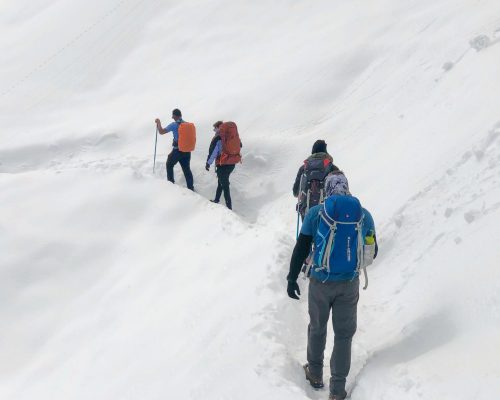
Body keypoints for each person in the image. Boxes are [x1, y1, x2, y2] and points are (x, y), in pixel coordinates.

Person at [286, 173, 378, 400]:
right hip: (349, 283)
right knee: (344, 335)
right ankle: (337, 390)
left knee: (317, 326)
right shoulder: (363, 215)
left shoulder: (317, 213)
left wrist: (291, 277)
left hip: (320, 281)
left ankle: (315, 373)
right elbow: (372, 251)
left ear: (327, 189)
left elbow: (301, 247)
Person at [293, 140, 339, 220]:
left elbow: (295, 192)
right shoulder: (332, 168)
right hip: (327, 211)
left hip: (306, 210)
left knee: (307, 232)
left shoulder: (304, 168)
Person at [205, 121, 242, 210]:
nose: (214, 130)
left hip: (223, 165)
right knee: (221, 183)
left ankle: (229, 208)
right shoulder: (232, 135)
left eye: (215, 128)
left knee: (225, 185)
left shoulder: (218, 138)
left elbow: (213, 153)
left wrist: (208, 163)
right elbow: (240, 145)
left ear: (218, 127)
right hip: (232, 163)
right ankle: (217, 200)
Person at [155, 108, 194, 190]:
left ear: (175, 115)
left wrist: (158, 123)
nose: (172, 117)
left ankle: (170, 185)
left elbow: (161, 132)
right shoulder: (187, 124)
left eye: (173, 115)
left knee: (169, 164)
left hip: (177, 150)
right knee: (187, 169)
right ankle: (191, 188)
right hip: (187, 151)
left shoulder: (174, 124)